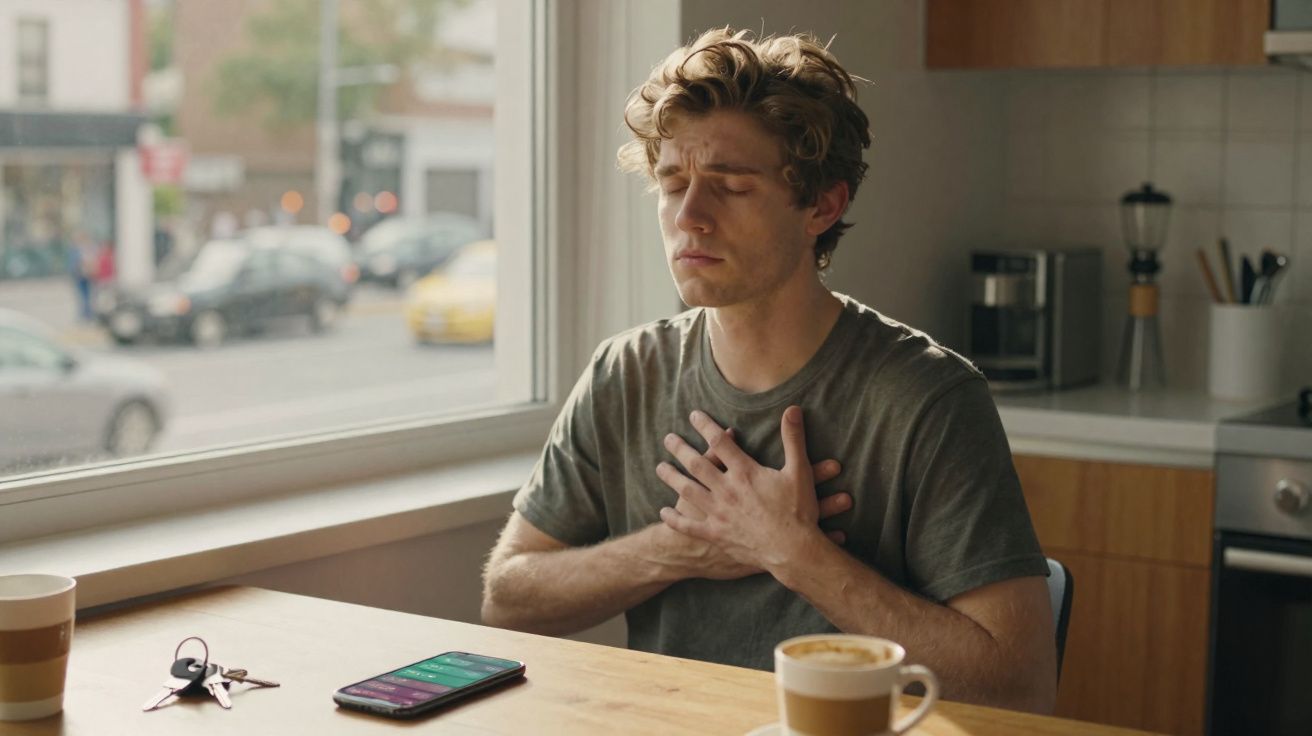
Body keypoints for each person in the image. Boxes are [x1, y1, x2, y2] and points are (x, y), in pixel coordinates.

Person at [481, 29, 1057, 714]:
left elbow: (1022, 686)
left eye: (729, 186)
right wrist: (681, 548)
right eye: (672, 183)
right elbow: (507, 599)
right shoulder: (624, 373)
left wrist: (793, 553)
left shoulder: (928, 398)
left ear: (822, 206)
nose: (689, 217)